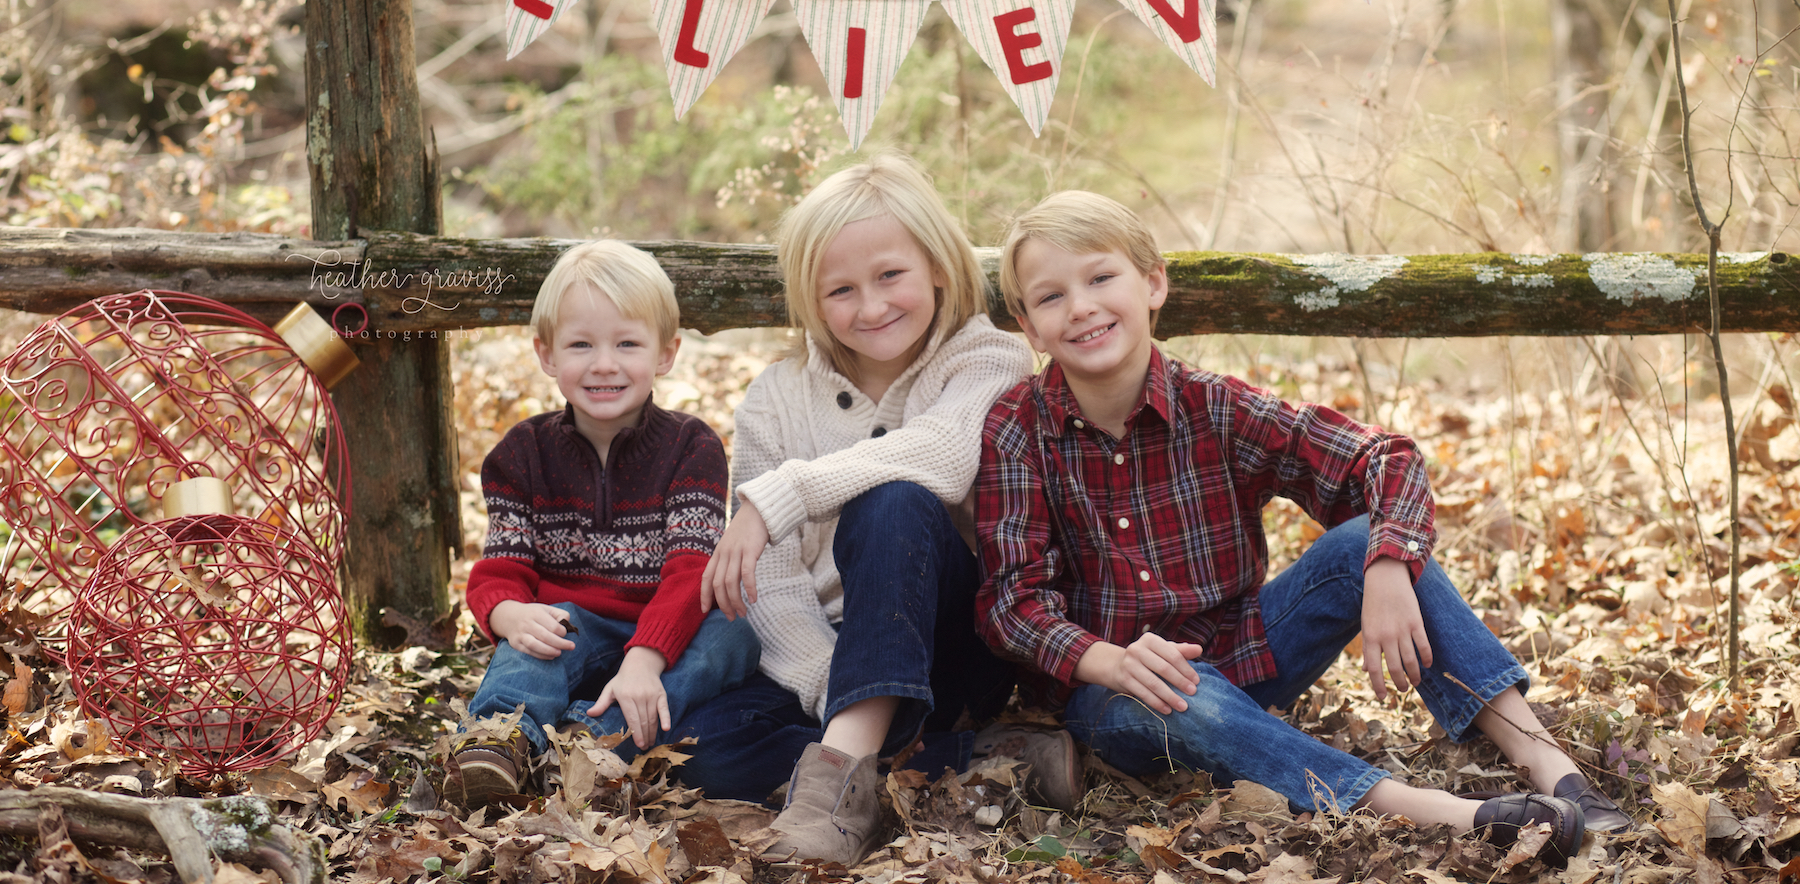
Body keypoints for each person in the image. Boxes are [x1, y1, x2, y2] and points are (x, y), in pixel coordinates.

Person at [974, 191, 1631, 868]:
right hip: (1115, 698)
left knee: (1368, 543)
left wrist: (1385, 569)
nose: (1081, 306)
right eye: (1051, 297)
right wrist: (1111, 662)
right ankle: (1448, 814)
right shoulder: (1019, 430)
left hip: (1249, 651)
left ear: (1153, 283)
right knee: (1176, 693)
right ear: (1028, 325)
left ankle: (1548, 764)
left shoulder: (1215, 406)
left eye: (1101, 278)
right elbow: (1010, 604)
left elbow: (1385, 457)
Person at [678, 151, 1072, 866]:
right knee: (696, 749)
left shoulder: (988, 358)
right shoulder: (777, 395)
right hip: (831, 653)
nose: (871, 306)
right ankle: (975, 757)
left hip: (949, 644)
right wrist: (838, 682)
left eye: (890, 275)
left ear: (939, 268)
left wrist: (781, 497)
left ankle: (838, 801)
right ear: (808, 297)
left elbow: (944, 453)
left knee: (892, 500)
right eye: (840, 290)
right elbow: (773, 581)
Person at [449, 240, 759, 808]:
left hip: (668, 628)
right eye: (581, 345)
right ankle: (501, 741)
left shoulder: (692, 447)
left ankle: (589, 740)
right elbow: (500, 567)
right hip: (575, 630)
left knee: (733, 634)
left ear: (666, 353)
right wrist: (507, 611)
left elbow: (691, 571)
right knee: (543, 627)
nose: (604, 363)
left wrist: (646, 657)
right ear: (547, 355)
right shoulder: (522, 453)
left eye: (627, 343)